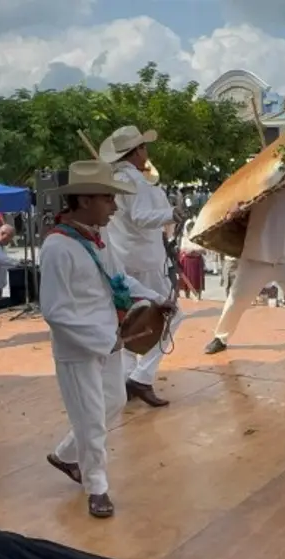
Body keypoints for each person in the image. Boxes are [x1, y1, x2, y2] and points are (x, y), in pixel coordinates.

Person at [40, 160, 176, 519]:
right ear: (84, 200)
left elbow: (120, 281)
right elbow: (55, 311)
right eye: (108, 200)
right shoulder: (57, 247)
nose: (115, 208)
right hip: (79, 348)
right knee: (91, 419)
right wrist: (104, 339)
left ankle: (67, 454)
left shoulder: (98, 240)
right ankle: (96, 486)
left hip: (109, 339)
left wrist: (154, 297)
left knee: (113, 402)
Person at [100, 125, 176, 408]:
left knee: (129, 320)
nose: (147, 152)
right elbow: (142, 217)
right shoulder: (135, 181)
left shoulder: (115, 179)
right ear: (136, 151)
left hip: (123, 259)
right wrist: (172, 213)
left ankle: (128, 377)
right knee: (171, 316)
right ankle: (141, 378)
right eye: (144, 147)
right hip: (144, 261)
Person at [203, 187, 285, 364]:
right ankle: (220, 338)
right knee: (237, 299)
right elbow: (240, 210)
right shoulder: (262, 189)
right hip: (256, 256)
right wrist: (234, 212)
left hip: (284, 258)